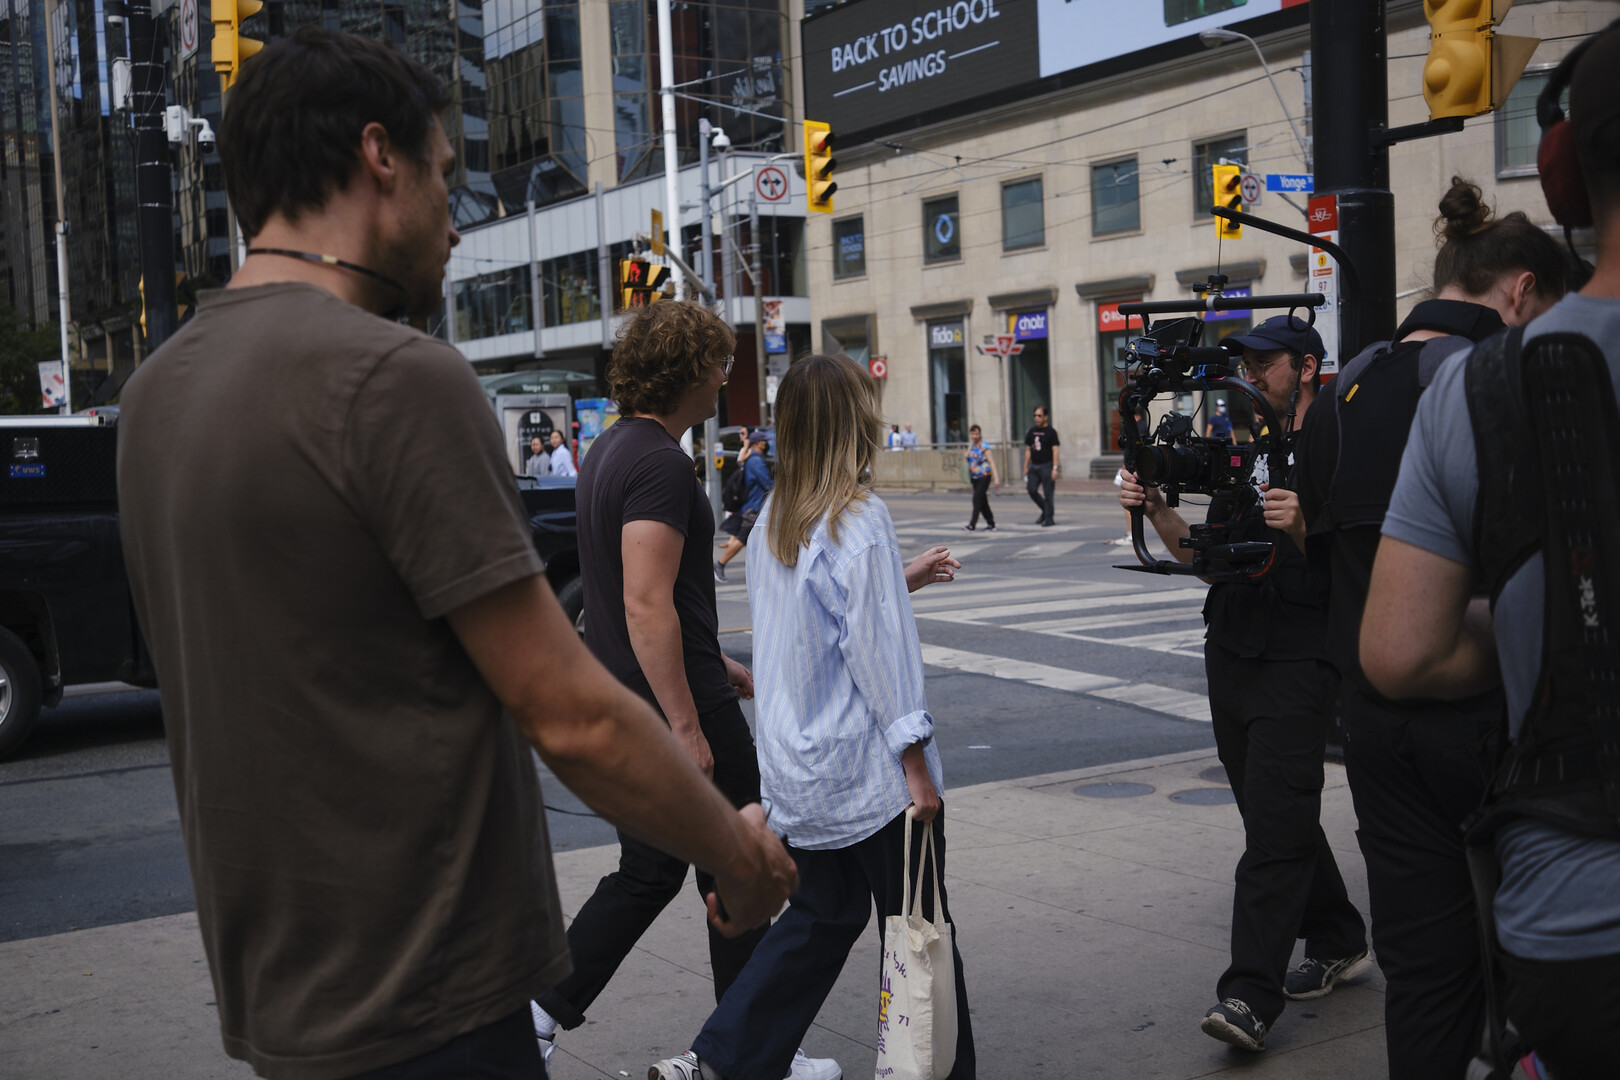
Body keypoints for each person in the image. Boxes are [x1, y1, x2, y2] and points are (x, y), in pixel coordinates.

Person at [114, 28, 795, 1080]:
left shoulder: (157, 395)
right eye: (444, 177)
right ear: (378, 158)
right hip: (435, 996)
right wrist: (736, 855)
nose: (456, 226)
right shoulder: (395, 378)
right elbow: (565, 709)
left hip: (281, 1003)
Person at [1363, 28, 1620, 1077]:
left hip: (1579, 925)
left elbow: (1400, 651)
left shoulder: (1478, 392)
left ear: (1566, 174)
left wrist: (1530, 628)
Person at [1290, 178, 1567, 1080]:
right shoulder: (1500, 381)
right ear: (1520, 290)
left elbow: (1320, 544)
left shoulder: (1344, 392)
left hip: (1375, 728)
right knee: (1535, 955)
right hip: (1491, 716)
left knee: (1422, 967)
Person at [529, 303, 836, 1080]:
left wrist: (714, 663)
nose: (725, 374)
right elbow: (642, 601)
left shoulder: (610, 450)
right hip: (676, 709)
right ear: (688, 369)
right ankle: (756, 1052)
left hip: (665, 691)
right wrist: (686, 721)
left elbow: (623, 599)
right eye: (717, 361)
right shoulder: (661, 464)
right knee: (743, 864)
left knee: (661, 868)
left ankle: (541, 1010)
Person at [650, 353, 972, 1080]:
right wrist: (916, 765)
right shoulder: (859, 519)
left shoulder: (772, 523)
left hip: (802, 772)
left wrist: (902, 577)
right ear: (851, 423)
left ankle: (715, 1061)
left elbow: (818, 634)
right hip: (872, 776)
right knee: (918, 930)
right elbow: (878, 653)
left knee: (820, 918)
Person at [1120, 314, 1367, 1053]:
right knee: (1272, 818)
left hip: (1300, 659)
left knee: (1276, 822)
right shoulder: (1245, 451)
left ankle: (1248, 995)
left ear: (1308, 368)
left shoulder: (1339, 446)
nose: (1253, 373)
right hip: (1232, 651)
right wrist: (1157, 509)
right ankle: (1339, 933)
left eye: (1267, 362)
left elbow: (1365, 564)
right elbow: (1203, 555)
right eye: (1248, 362)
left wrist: (1302, 529)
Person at [715, 429, 773, 582]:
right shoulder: (755, 460)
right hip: (754, 507)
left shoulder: (753, 458)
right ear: (757, 443)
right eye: (764, 441)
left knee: (757, 541)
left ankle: (762, 573)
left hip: (753, 506)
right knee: (742, 539)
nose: (766, 443)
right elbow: (766, 483)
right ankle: (720, 564)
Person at [1023, 406, 1061, 526]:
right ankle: (1045, 511)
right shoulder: (1031, 431)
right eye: (1035, 415)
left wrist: (1055, 468)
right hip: (1034, 466)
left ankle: (1049, 518)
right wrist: (1025, 466)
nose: (1036, 418)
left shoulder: (1051, 432)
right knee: (1031, 489)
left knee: (1048, 493)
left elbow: (1055, 450)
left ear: (1045, 417)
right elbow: (1028, 449)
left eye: (1039, 416)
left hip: (1047, 466)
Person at [963, 424, 999, 531]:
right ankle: (991, 523)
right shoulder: (971, 447)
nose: (974, 436)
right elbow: (970, 461)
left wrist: (996, 477)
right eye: (973, 434)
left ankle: (972, 524)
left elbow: (991, 462)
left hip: (984, 476)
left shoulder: (984, 447)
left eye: (976, 434)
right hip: (975, 477)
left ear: (980, 434)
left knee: (976, 499)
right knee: (983, 501)